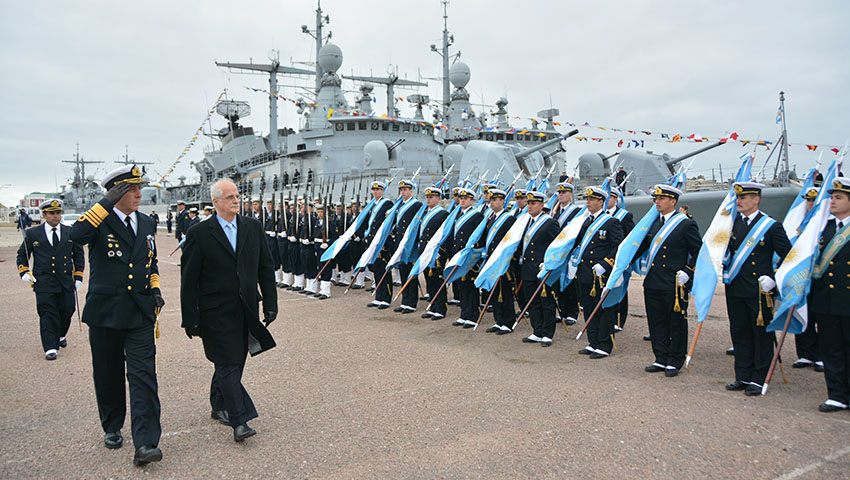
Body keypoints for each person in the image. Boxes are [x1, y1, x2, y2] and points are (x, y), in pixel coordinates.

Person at [70, 164, 164, 466]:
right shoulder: (99, 220)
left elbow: (152, 263)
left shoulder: (147, 223)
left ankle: (146, 442)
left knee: (143, 377)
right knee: (108, 374)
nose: (139, 194)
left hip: (139, 312)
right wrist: (106, 202)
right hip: (106, 313)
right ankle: (112, 425)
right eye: (132, 189)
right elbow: (77, 235)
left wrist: (155, 289)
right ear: (117, 192)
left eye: (139, 188)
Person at [180, 180, 278, 441]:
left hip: (246, 307)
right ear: (216, 202)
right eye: (230, 197)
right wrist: (190, 317)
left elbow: (265, 268)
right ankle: (240, 420)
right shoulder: (199, 233)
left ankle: (218, 403)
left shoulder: (252, 228)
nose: (237, 200)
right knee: (227, 362)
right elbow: (189, 279)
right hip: (215, 311)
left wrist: (271, 304)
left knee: (235, 360)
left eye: (237, 196)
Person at [723, 182, 792, 396]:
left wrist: (773, 278)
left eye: (744, 197)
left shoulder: (770, 226)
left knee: (760, 334)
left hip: (760, 290)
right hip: (735, 287)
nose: (739, 201)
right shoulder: (730, 224)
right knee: (740, 332)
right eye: (738, 198)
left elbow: (789, 256)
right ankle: (742, 375)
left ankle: (758, 378)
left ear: (756, 199)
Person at [632, 185, 701, 377]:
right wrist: (622, 264)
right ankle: (660, 357)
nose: (657, 202)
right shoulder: (653, 223)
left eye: (661, 199)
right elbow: (639, 248)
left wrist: (689, 271)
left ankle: (675, 360)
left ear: (673, 201)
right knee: (656, 322)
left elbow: (699, 252)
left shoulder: (685, 224)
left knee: (676, 322)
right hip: (653, 281)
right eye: (656, 198)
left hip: (674, 283)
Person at [16, 199, 84, 360]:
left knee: (67, 309)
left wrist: (79, 276)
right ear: (44, 215)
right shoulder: (33, 234)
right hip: (44, 281)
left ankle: (60, 334)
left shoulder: (70, 233)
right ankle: (50, 346)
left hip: (65, 280)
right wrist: (24, 271)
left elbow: (78, 256)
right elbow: (22, 254)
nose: (56, 216)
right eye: (52, 213)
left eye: (58, 213)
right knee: (47, 312)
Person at [809, 178, 850, 412]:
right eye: (832, 197)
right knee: (831, 348)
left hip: (847, 298)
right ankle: (836, 394)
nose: (832, 201)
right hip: (826, 299)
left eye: (838, 197)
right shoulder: (823, 228)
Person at [572, 186, 623, 357]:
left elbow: (618, 247)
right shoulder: (586, 221)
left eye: (592, 199)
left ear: (601, 202)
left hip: (600, 275)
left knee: (603, 310)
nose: (588, 202)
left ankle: (604, 345)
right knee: (588, 308)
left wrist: (606, 264)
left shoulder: (610, 222)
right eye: (587, 199)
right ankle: (593, 342)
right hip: (586, 272)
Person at [517, 191, 561, 345]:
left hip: (542, 269)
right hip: (528, 268)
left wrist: (548, 263)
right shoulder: (527, 222)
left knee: (546, 302)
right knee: (533, 301)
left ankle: (547, 333)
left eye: (533, 203)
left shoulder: (550, 223)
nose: (529, 206)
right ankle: (537, 331)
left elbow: (558, 246)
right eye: (528, 203)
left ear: (542, 206)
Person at [793, 187, 824, 371]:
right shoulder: (801, 225)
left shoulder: (825, 223)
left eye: (814, 200)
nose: (811, 204)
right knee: (803, 313)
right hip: (803, 278)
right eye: (809, 200)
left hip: (821, 279)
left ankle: (822, 356)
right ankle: (805, 353)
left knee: (823, 318)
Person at [480, 189, 517, 334]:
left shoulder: (509, 219)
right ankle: (498, 320)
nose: (492, 202)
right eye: (491, 199)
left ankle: (508, 322)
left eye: (495, 199)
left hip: (502, 262)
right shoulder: (491, 218)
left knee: (504, 291)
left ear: (502, 201)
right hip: (491, 260)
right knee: (493, 292)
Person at [447, 188, 485, 328]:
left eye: (466, 198)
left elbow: (481, 237)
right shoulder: (458, 215)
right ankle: (464, 314)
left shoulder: (477, 216)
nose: (462, 200)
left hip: (469, 258)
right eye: (460, 198)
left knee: (470, 286)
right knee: (461, 286)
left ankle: (472, 315)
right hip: (458, 256)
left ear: (471, 200)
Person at [551, 182, 582, 326]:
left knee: (570, 282)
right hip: (557, 252)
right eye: (559, 192)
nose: (561, 195)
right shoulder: (555, 211)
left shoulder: (576, 212)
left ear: (570, 195)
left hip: (570, 252)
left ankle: (572, 312)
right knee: (559, 281)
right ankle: (563, 311)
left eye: (564, 192)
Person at [391, 180, 423, 314]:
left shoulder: (417, 205)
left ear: (411, 190)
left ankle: (411, 303)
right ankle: (405, 301)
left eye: (406, 190)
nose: (403, 192)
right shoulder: (399, 205)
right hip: (400, 244)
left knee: (411, 274)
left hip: (411, 245)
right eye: (401, 190)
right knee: (403, 272)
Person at [419, 187, 450, 320]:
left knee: (437, 279)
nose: (429, 199)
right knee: (429, 280)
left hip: (436, 254)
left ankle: (441, 308)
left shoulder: (443, 214)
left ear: (438, 199)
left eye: (431, 197)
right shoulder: (426, 213)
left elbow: (445, 234)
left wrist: (441, 252)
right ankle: (433, 305)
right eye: (427, 197)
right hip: (425, 252)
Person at [606, 187, 635, 332]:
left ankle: (618, 320)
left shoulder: (625, 216)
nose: (607, 200)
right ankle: (607, 318)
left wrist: (629, 258)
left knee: (620, 288)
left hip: (620, 258)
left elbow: (632, 238)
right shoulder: (601, 216)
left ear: (615, 199)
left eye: (610, 197)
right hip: (605, 259)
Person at [364, 181, 394, 308]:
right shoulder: (372, 205)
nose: (375, 192)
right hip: (372, 242)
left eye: (378, 190)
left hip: (382, 244)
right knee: (376, 270)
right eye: (374, 190)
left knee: (384, 271)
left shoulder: (387, 203)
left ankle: (386, 298)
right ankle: (378, 296)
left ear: (383, 191)